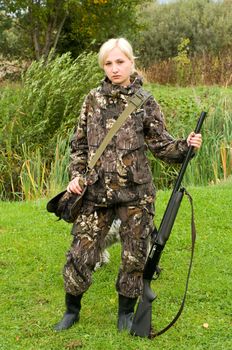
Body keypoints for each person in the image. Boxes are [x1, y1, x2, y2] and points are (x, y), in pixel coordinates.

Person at [54, 38, 202, 332]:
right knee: (80, 252)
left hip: (136, 194)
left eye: (120, 62)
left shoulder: (145, 102)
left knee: (134, 255)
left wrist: (187, 146)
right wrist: (75, 175)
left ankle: (126, 313)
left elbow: (162, 146)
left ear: (132, 63)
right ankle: (72, 310)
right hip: (96, 193)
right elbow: (79, 144)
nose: (114, 68)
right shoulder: (92, 99)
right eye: (108, 63)